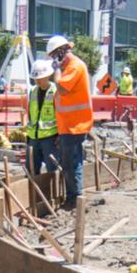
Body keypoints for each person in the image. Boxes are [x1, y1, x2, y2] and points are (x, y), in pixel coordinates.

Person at [48, 34, 92, 209]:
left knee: (71, 164)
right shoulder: (70, 68)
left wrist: (57, 70)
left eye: (54, 56)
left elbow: (63, 89)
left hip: (75, 125)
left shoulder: (75, 66)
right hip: (68, 125)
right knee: (70, 163)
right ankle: (73, 196)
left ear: (60, 53)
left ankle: (75, 198)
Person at [26, 58, 59, 175]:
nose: (37, 81)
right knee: (31, 169)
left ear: (47, 76)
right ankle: (32, 193)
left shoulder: (56, 90)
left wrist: (59, 135)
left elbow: (60, 114)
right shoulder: (33, 91)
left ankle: (53, 193)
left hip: (50, 137)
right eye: (35, 78)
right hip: (33, 137)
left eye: (39, 78)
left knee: (52, 169)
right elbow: (30, 113)